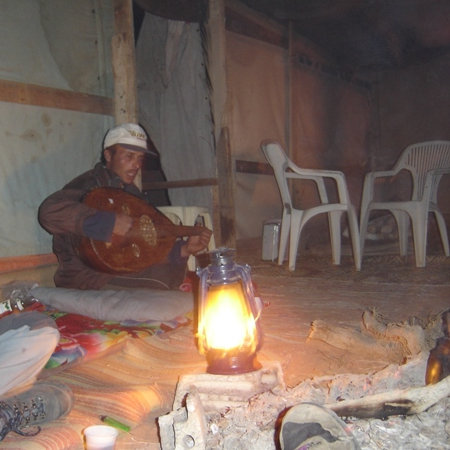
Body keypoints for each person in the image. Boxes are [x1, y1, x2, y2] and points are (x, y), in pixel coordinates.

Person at [38, 123, 212, 291]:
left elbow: (144, 250)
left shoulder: (131, 193)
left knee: (177, 275)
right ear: (108, 155)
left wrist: (183, 250)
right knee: (161, 278)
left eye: (140, 158)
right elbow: (48, 211)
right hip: (87, 277)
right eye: (129, 156)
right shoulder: (89, 185)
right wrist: (107, 223)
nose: (136, 165)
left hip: (118, 269)